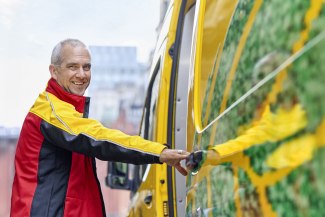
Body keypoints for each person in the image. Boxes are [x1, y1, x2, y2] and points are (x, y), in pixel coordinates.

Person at [10, 38, 189, 217]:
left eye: (86, 67)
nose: (81, 74)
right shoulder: (51, 111)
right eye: (73, 67)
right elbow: (98, 138)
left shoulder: (68, 111)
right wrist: (159, 152)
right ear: (54, 71)